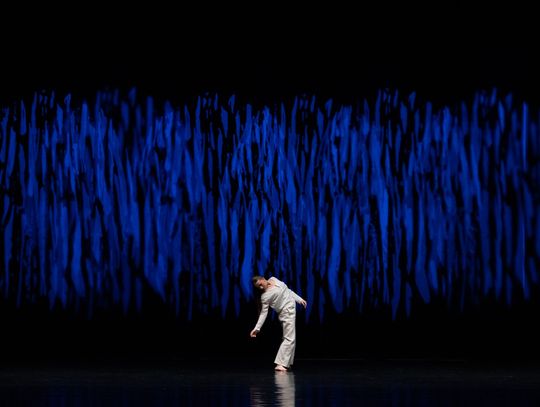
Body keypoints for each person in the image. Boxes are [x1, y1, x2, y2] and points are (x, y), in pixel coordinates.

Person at [250, 275, 307, 371]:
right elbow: (263, 313)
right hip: (286, 313)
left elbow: (288, 291)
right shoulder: (265, 296)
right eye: (259, 287)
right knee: (289, 338)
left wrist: (299, 299)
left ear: (263, 279)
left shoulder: (273, 279)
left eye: (260, 284)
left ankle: (286, 363)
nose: (261, 287)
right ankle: (280, 364)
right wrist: (257, 328)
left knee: (289, 338)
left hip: (290, 310)